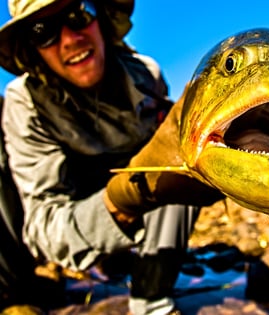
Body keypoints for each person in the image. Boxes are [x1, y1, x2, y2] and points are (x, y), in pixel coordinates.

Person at [0, 0, 225, 314]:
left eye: (79, 15)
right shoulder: (24, 105)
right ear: (31, 47)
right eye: (43, 31)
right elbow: (44, 230)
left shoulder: (147, 75)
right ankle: (15, 290)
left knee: (182, 161)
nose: (69, 39)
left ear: (103, 15)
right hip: (80, 200)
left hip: (140, 188)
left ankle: (151, 298)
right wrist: (125, 196)